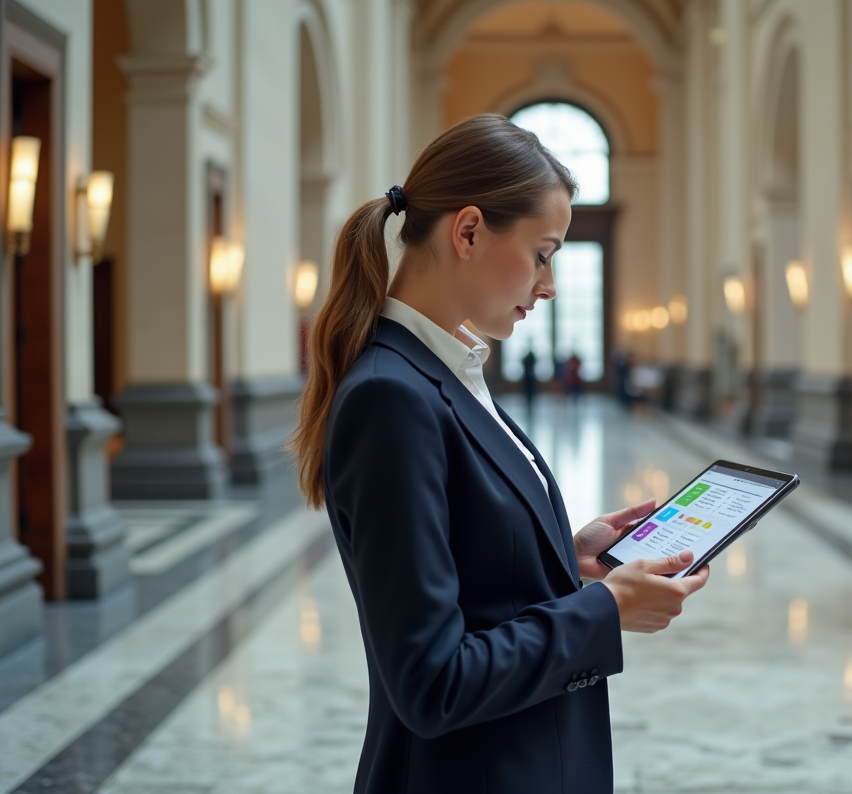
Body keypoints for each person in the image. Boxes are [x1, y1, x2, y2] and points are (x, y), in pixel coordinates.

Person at [289, 114, 710, 794]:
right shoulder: (390, 396)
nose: (550, 284)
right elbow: (431, 680)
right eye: (542, 254)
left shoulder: (448, 372)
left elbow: (474, 569)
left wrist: (565, 557)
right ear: (468, 231)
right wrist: (605, 611)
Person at [521, 346, 538, 413]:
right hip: (528, 376)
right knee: (529, 388)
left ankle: (530, 397)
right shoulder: (529, 359)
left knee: (530, 388)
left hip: (529, 376)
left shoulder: (529, 359)